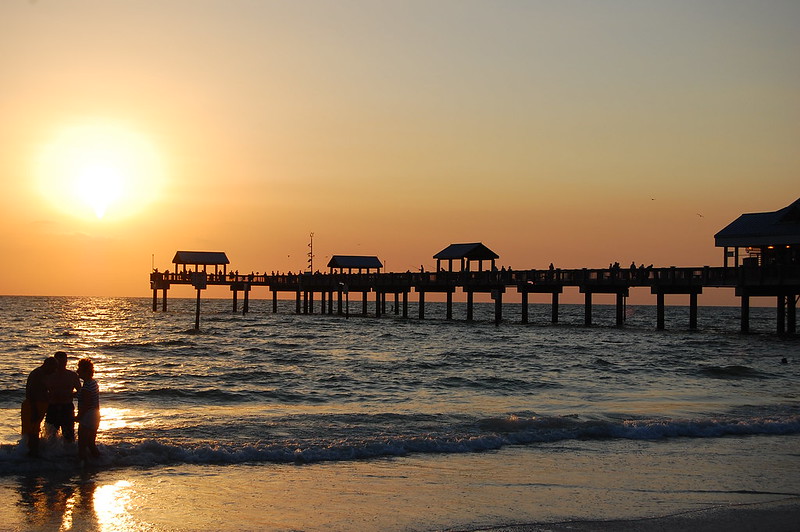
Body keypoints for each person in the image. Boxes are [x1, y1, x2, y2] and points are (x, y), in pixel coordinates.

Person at [21, 357, 57, 457]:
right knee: (32, 432)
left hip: (38, 406)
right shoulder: (37, 374)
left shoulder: (42, 374)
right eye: (54, 368)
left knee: (34, 430)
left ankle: (32, 453)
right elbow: (30, 392)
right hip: (32, 406)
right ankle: (32, 454)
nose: (54, 370)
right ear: (47, 365)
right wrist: (34, 409)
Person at [45, 351, 82, 443]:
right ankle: (49, 455)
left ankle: (68, 455)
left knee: (69, 436)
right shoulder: (48, 376)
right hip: (52, 407)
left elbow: (81, 392)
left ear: (66, 361)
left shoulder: (72, 375)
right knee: (50, 436)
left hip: (67, 407)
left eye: (63, 361)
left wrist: (71, 395)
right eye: (59, 361)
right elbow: (41, 392)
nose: (61, 364)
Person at [76, 358, 100, 462]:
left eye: (79, 369)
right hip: (95, 415)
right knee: (91, 444)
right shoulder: (93, 383)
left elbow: (86, 404)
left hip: (88, 416)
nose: (77, 371)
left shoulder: (87, 386)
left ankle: (84, 467)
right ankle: (100, 462)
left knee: (82, 445)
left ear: (85, 371)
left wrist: (78, 417)